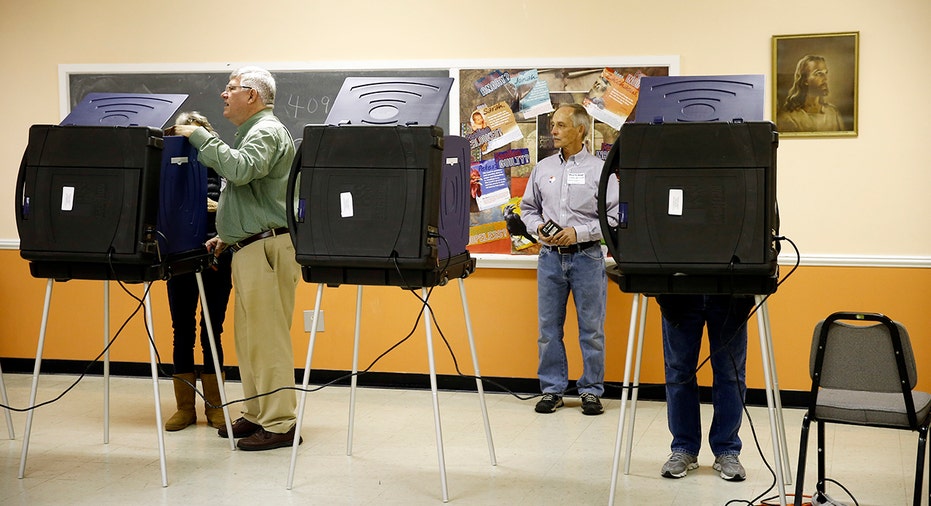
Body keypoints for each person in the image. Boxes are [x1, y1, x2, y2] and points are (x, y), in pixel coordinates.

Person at [169, 66, 301, 451]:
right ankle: (259, 414)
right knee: (250, 340)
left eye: (231, 89)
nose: (224, 95)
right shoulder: (253, 132)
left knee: (268, 340)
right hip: (248, 249)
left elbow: (241, 172)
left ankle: (281, 423)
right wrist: (226, 238)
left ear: (253, 96)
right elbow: (251, 198)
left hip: (267, 251)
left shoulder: (266, 131)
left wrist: (200, 138)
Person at [519, 103, 618, 416]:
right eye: (553, 125)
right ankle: (552, 390)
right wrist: (539, 229)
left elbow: (614, 216)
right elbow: (527, 209)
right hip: (549, 259)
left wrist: (580, 232)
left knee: (591, 331)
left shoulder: (601, 171)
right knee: (548, 330)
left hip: (587, 258)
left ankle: (591, 391)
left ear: (581, 130)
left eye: (561, 126)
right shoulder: (543, 168)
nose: (554, 131)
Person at [164, 111, 234, 432]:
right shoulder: (169, 168)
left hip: (218, 254)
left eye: (199, 133)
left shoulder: (224, 164)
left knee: (211, 330)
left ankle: (215, 406)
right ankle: (184, 408)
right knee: (182, 329)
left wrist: (218, 207)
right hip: (179, 256)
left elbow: (240, 204)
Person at [657, 294, 755, 481]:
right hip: (679, 293)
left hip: (731, 293)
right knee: (679, 372)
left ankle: (727, 449)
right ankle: (684, 448)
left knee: (730, 374)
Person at [777, 55, 845, 132]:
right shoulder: (789, 117)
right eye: (818, 73)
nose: (825, 79)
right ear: (805, 80)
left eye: (825, 73)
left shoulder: (833, 113)